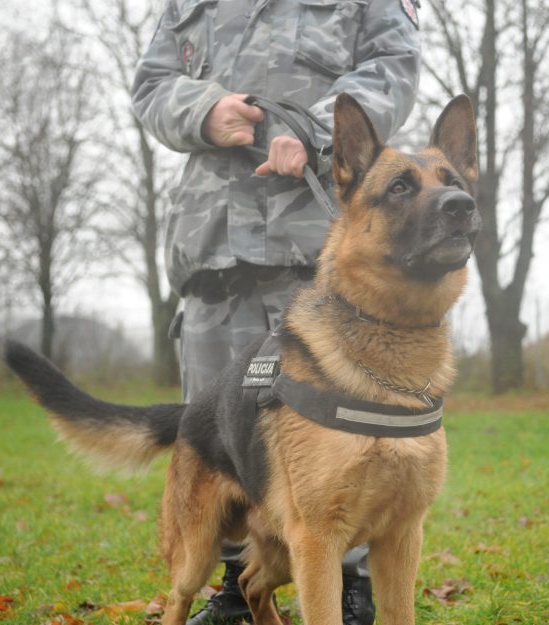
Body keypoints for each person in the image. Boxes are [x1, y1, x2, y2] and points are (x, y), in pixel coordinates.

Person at [130, 0, 420, 623]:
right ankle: (239, 590)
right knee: (220, 436)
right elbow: (152, 85)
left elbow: (394, 66)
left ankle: (347, 592)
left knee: (341, 436)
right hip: (212, 252)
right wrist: (203, 111)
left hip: (315, 253)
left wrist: (315, 129)